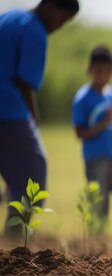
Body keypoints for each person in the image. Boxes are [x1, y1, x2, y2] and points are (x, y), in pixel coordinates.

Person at [0, 0, 79, 236]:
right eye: (62, 19)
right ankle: (16, 244)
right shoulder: (35, 30)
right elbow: (26, 84)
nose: (59, 27)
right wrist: (34, 121)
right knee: (33, 172)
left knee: (15, 175)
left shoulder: (10, 17)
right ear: (50, 7)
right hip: (8, 110)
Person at [72, 46, 112, 228]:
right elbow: (79, 133)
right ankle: (98, 242)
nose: (103, 76)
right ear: (90, 69)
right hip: (95, 159)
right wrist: (102, 124)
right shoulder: (83, 98)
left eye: (108, 71)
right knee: (100, 203)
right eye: (99, 71)